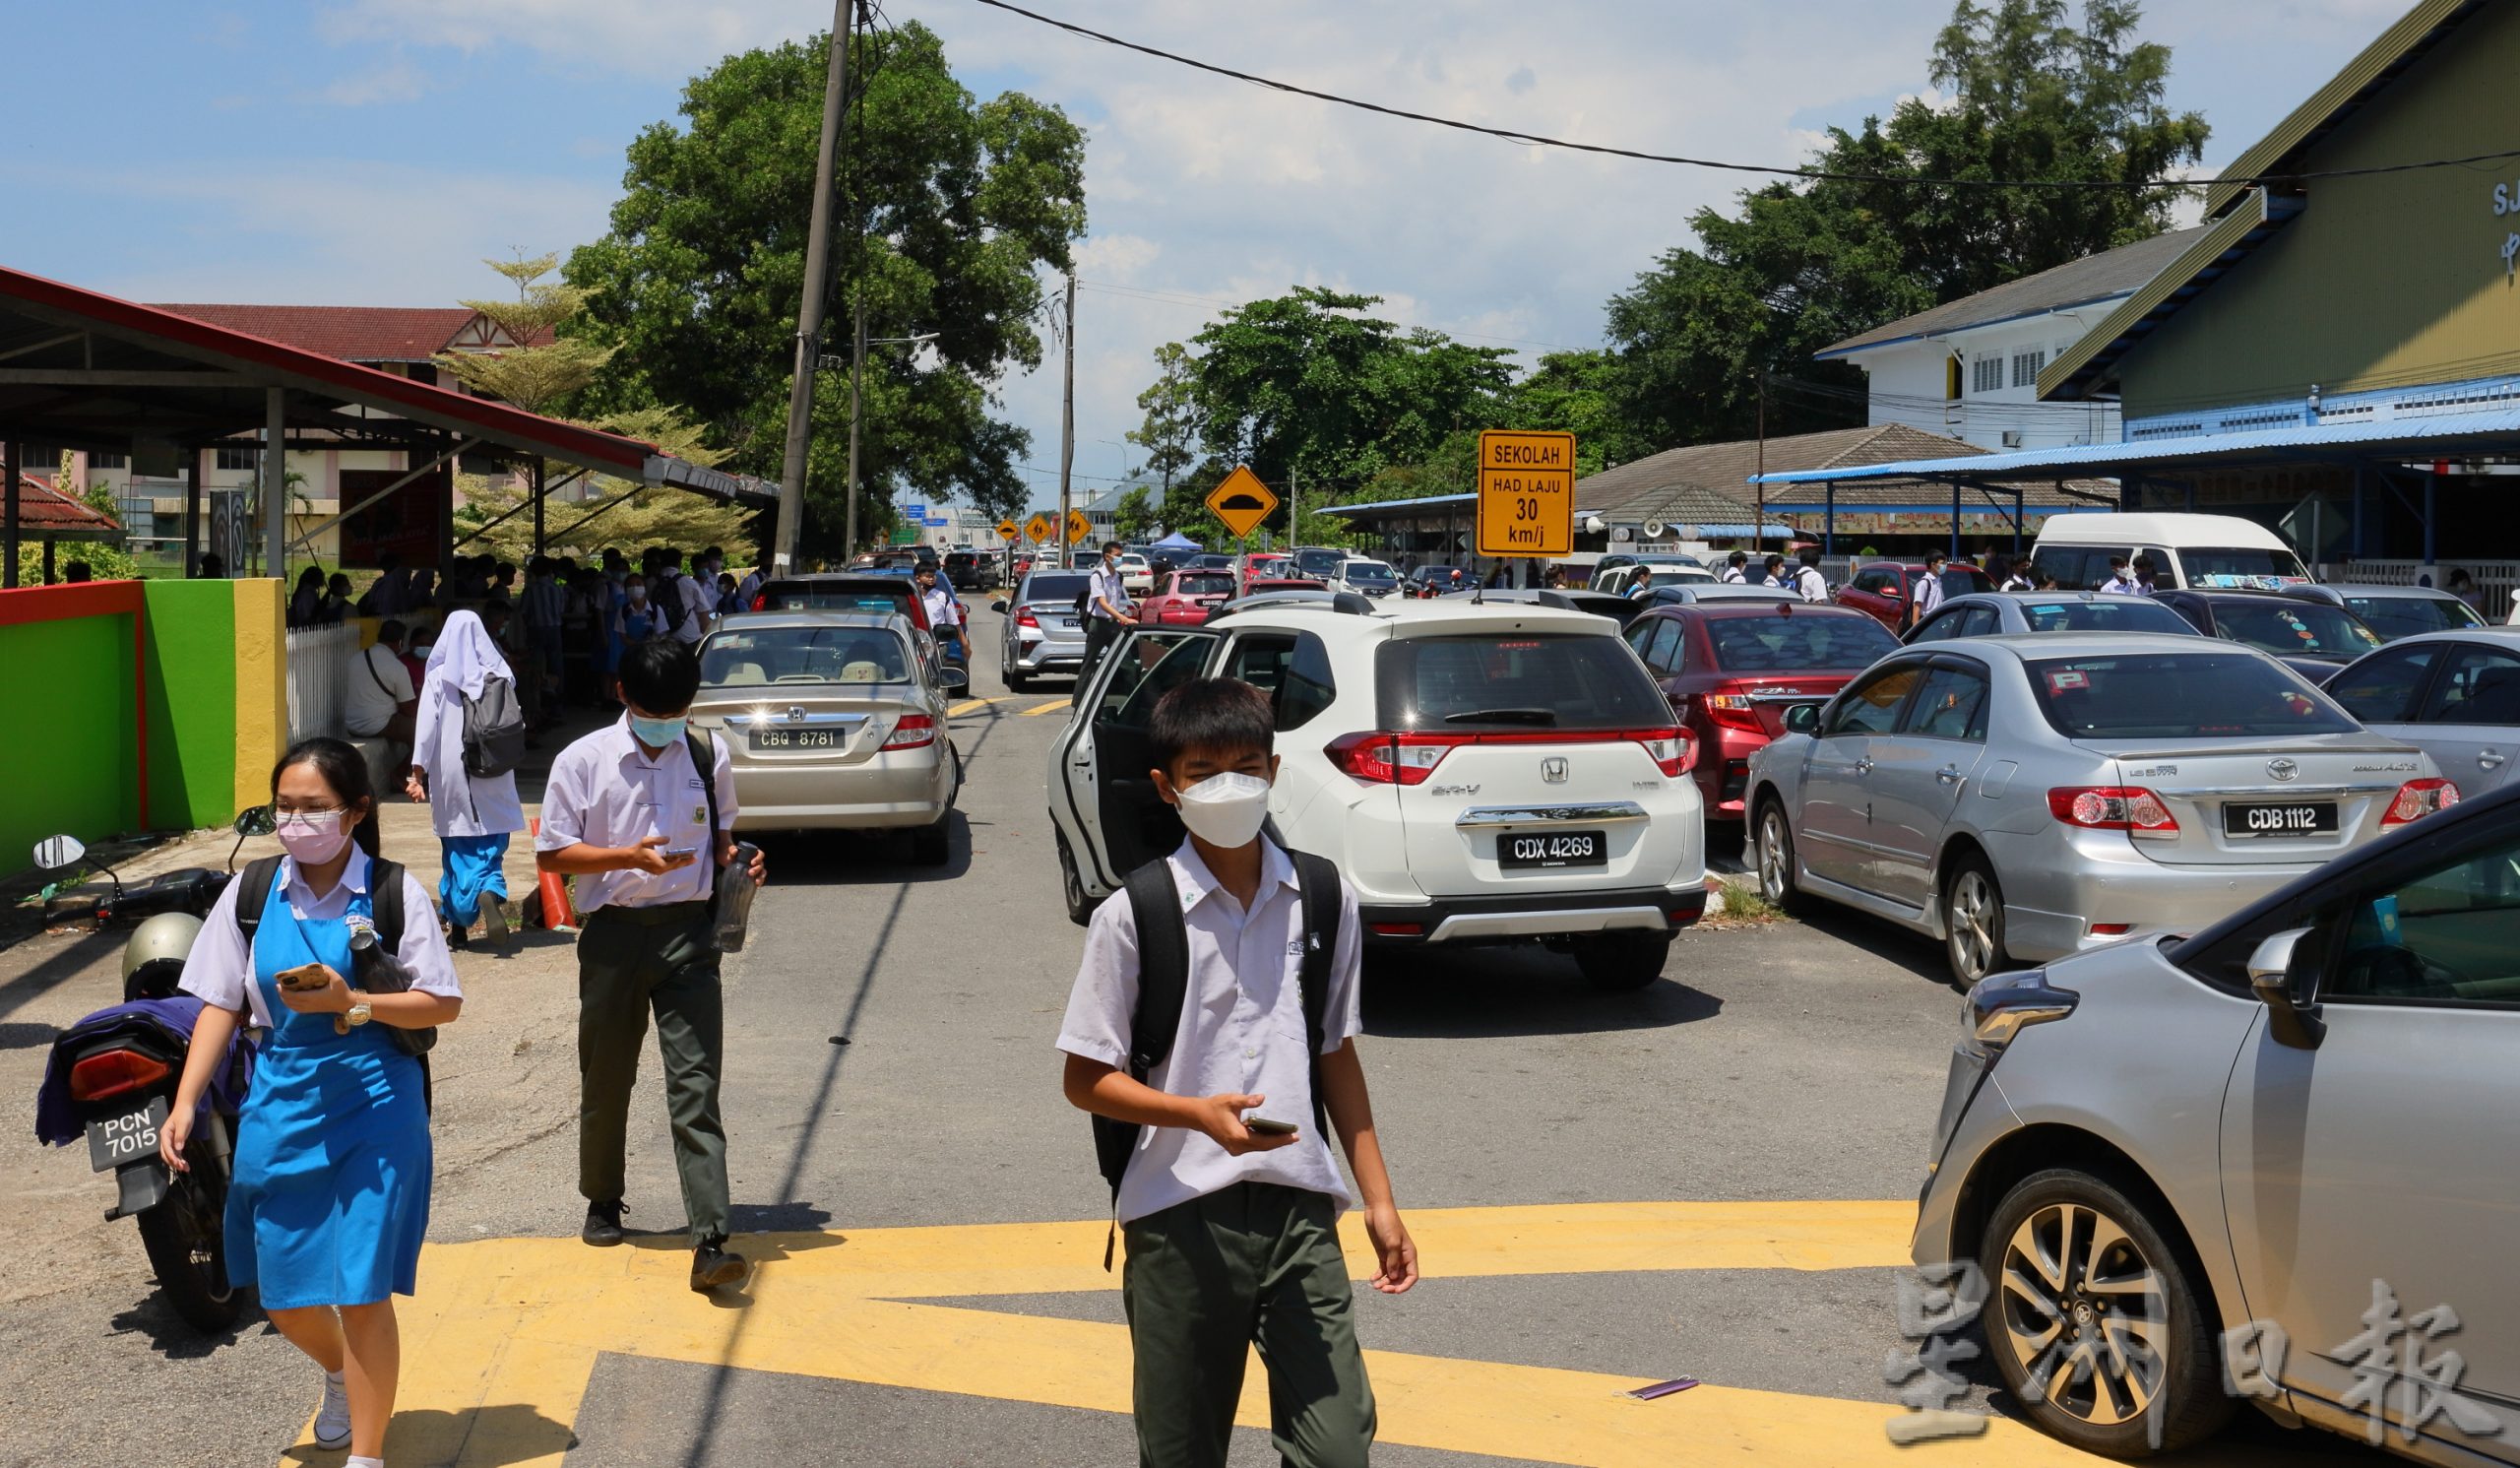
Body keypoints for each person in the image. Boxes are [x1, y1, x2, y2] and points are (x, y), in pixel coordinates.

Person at [1058, 678, 1417, 1468]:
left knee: (1337, 1448)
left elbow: (1335, 1052)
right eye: (1204, 771)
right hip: (1178, 1211)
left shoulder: (1322, 896)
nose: (1229, 786)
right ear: (1168, 786)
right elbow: (1085, 1079)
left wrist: (1380, 1201)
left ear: (1274, 771)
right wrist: (1194, 1113)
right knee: (1181, 1451)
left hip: (1298, 1206)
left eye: (1247, 767)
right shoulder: (1135, 913)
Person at [163, 737, 461, 1468]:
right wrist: (186, 1099)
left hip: (377, 1099)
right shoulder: (252, 892)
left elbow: (441, 1003)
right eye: (284, 808)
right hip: (283, 1097)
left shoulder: (392, 892)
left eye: (314, 808)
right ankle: (339, 1373)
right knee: (285, 1293)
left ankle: (367, 1454)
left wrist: (353, 1001)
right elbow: (220, 1002)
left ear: (355, 811)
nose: (296, 823)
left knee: (361, 1288)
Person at [536, 639, 765, 1294]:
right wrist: (626, 858)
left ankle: (710, 1238)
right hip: (613, 935)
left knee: (696, 1085)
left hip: (688, 937)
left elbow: (722, 842)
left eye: (677, 713)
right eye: (652, 713)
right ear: (623, 696)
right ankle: (603, 1198)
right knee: (607, 1073)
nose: (665, 726)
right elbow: (552, 855)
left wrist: (742, 861)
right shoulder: (583, 760)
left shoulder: (708, 754)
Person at [407, 609, 525, 949]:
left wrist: (417, 773)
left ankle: (460, 922)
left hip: (453, 775)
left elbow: (425, 730)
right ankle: (489, 890)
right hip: (494, 770)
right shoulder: (499, 674)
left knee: (456, 850)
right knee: (490, 847)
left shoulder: (438, 678)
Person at [346, 620, 420, 789]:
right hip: (379, 724)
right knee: (424, 733)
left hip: (352, 724)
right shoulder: (397, 667)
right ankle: (399, 774)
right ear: (400, 642)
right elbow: (407, 708)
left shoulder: (355, 659)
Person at [1078, 540, 1137, 702]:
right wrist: (1124, 618)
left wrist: (1121, 617)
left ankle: (1133, 701)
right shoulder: (1097, 576)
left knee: (1128, 664)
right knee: (1089, 664)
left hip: (1113, 625)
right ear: (1107, 556)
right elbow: (1103, 603)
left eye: (1121, 555)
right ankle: (1079, 703)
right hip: (1098, 625)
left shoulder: (1118, 576)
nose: (1120, 559)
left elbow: (1115, 602)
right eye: (1117, 555)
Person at [915, 564, 970, 670]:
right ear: (918, 578)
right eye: (927, 576)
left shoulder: (942, 597)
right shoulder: (912, 598)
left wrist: (965, 645)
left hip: (939, 646)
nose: (931, 579)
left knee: (938, 673)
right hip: (917, 645)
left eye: (933, 576)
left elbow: (955, 624)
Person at [1911, 549, 1950, 627]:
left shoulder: (1938, 581)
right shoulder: (1924, 583)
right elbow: (1917, 607)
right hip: (1926, 622)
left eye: (1945, 563)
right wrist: (1916, 629)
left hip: (1937, 621)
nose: (1945, 566)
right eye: (1942, 563)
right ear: (1933, 565)